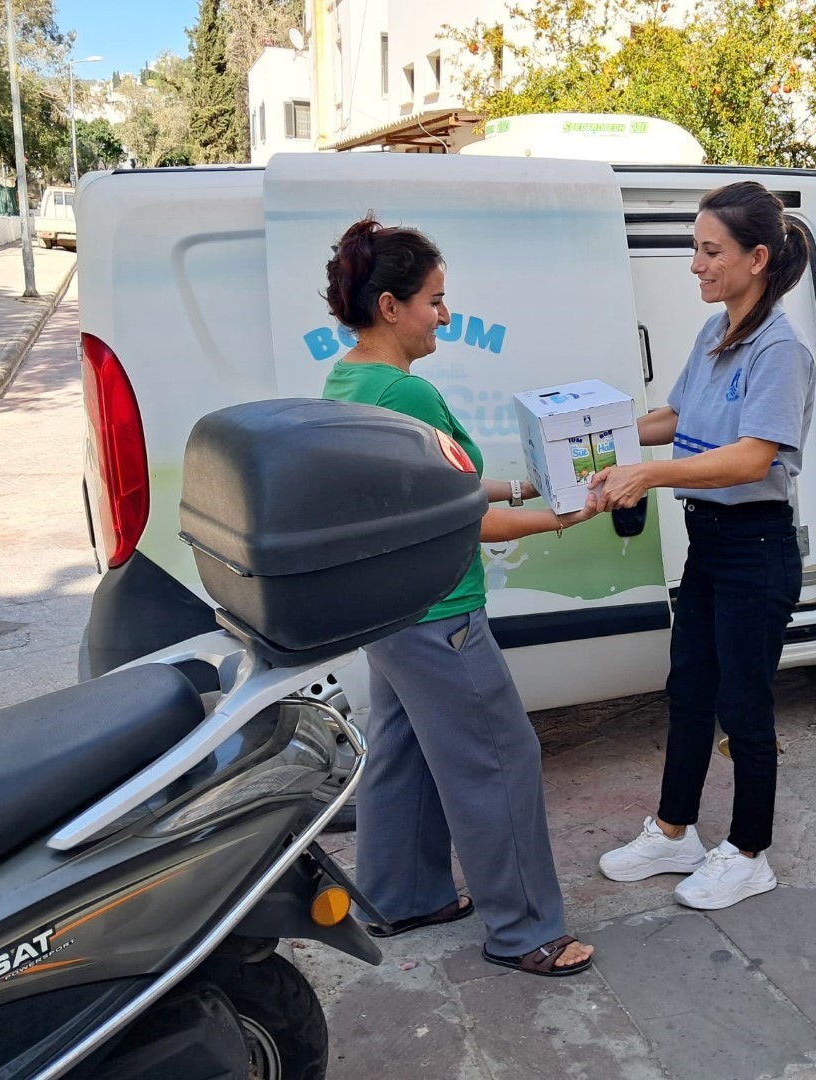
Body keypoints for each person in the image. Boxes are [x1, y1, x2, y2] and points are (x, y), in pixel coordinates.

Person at [322, 214, 596, 977]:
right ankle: (526, 931)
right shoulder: (404, 394)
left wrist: (531, 482)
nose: (443, 315)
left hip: (390, 609)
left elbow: (442, 485)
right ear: (390, 307)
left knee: (403, 755)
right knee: (500, 760)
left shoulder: (349, 379)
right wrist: (567, 512)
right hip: (440, 613)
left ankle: (402, 895)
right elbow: (463, 515)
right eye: (435, 300)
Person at [594, 181, 815, 911]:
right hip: (711, 544)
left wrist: (647, 474)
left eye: (708, 250)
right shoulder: (716, 334)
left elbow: (753, 457)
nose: (694, 263)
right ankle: (673, 829)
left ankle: (751, 851)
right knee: (688, 690)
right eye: (695, 248)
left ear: (757, 258)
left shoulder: (781, 351)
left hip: (757, 547)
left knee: (744, 705)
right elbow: (677, 414)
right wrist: (602, 439)